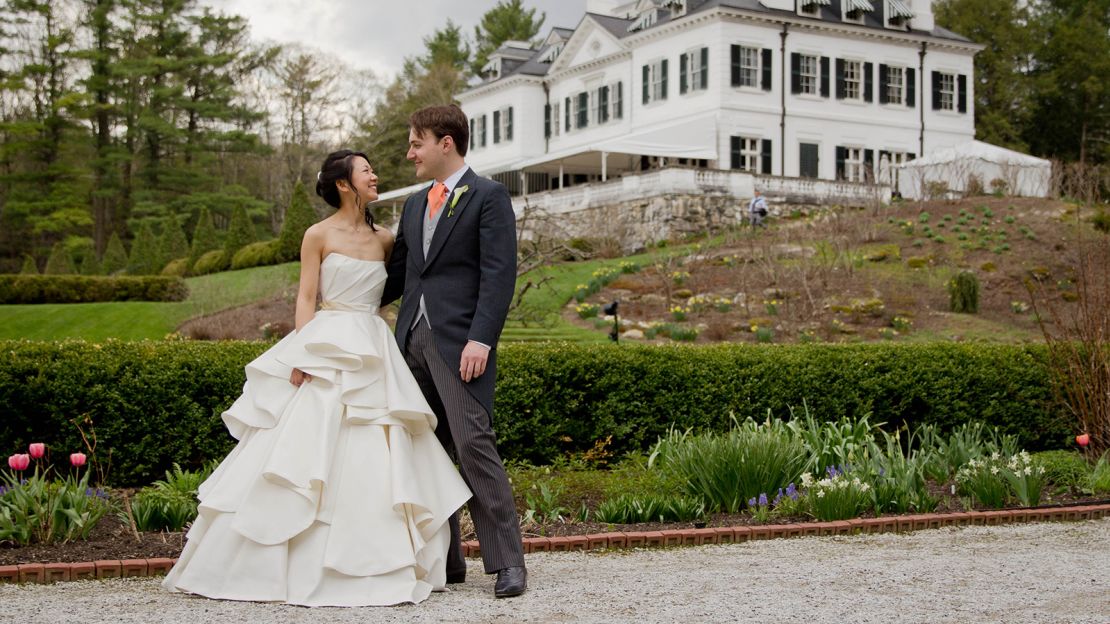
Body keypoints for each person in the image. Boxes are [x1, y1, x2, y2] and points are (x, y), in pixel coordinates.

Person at [162, 150, 471, 607]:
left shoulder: (386, 239)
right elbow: (306, 298)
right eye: (366, 170)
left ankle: (379, 557)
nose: (375, 175)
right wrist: (303, 353)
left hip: (373, 346)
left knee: (379, 450)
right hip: (325, 345)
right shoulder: (316, 235)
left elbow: (395, 291)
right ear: (344, 184)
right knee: (303, 449)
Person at [381, 104, 526, 598]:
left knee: (472, 446)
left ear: (447, 142)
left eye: (416, 142)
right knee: (426, 452)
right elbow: (399, 273)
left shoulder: (488, 196)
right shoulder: (416, 204)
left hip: (462, 343)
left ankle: (507, 562)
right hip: (410, 343)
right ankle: (446, 560)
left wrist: (481, 338)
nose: (409, 152)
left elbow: (499, 273)